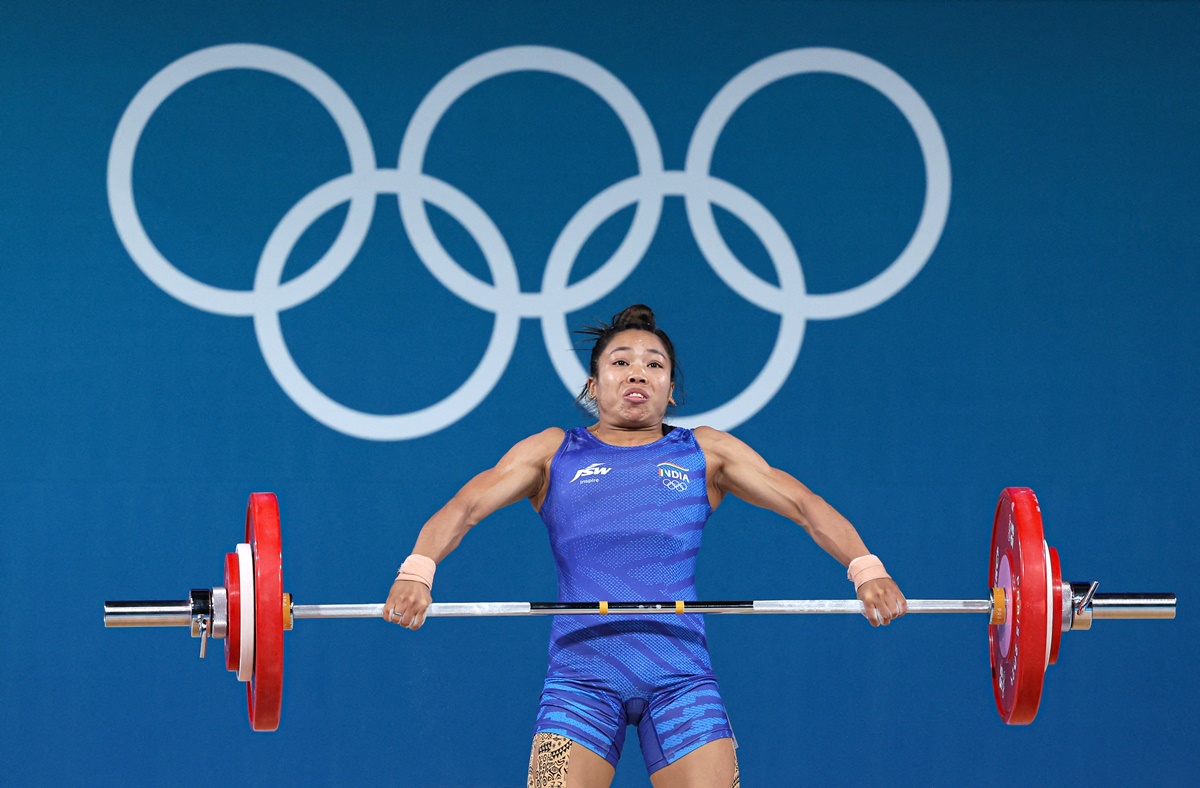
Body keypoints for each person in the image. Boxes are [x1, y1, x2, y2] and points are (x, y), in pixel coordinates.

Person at [384, 305, 907, 788]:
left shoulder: (706, 451)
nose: (638, 373)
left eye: (654, 365)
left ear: (671, 389)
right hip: (581, 677)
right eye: (621, 362)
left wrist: (866, 569)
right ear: (593, 384)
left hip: (680, 676)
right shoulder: (552, 452)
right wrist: (417, 570)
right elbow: (465, 506)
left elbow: (803, 504)